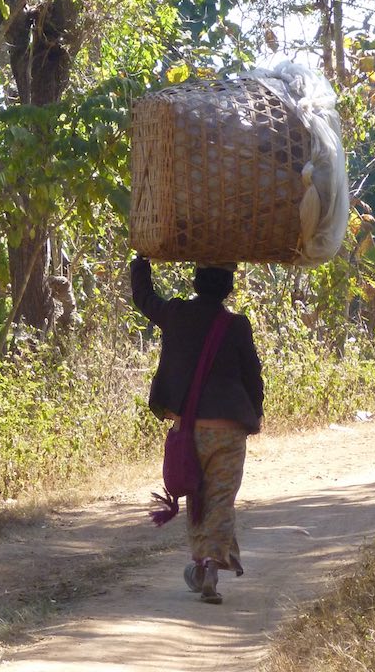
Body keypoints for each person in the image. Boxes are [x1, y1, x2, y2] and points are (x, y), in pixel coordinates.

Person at [130, 255, 264, 604]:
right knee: (221, 501)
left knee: (199, 501)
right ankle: (210, 566)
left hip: (190, 430)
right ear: (228, 289)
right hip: (229, 429)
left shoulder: (176, 315)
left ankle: (203, 560)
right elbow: (253, 376)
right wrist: (255, 415)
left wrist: (140, 262)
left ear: (195, 283)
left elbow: (143, 297)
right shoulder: (237, 326)